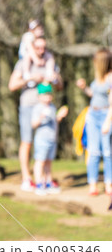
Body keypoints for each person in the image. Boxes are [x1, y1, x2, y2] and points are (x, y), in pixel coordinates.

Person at [9, 37, 63, 192]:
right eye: (38, 47)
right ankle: (27, 177)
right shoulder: (23, 64)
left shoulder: (50, 62)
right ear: (31, 47)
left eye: (43, 48)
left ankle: (46, 179)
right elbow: (12, 85)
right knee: (27, 141)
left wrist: (54, 79)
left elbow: (60, 85)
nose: (41, 51)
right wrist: (30, 78)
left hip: (47, 108)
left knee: (47, 142)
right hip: (28, 105)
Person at [76, 49, 112, 196]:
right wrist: (85, 88)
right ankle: (93, 184)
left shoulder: (110, 78)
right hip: (92, 114)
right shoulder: (97, 77)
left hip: (105, 116)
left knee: (108, 152)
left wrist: (108, 122)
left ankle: (108, 184)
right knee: (93, 151)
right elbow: (95, 95)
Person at [31, 83, 68, 195]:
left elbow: (55, 120)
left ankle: (48, 182)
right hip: (42, 139)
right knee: (40, 162)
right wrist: (41, 117)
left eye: (49, 95)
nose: (48, 97)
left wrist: (60, 116)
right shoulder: (38, 108)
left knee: (48, 162)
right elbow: (33, 124)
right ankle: (39, 184)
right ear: (39, 96)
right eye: (45, 95)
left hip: (52, 139)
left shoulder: (52, 107)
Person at [19, 19, 55, 86]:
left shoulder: (38, 38)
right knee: (28, 56)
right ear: (31, 30)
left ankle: (50, 72)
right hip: (24, 56)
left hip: (33, 55)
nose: (41, 31)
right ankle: (27, 74)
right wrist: (37, 60)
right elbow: (30, 49)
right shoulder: (28, 36)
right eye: (38, 29)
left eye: (41, 29)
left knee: (49, 55)